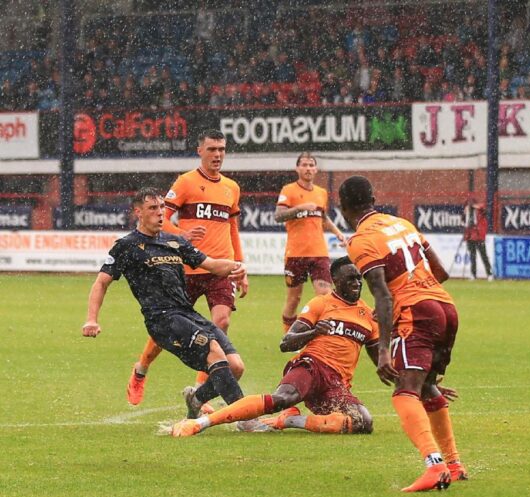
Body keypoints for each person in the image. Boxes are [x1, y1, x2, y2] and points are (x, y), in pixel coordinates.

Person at [339, 175, 467, 493]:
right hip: (445, 308)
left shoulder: (361, 240)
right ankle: (453, 463)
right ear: (372, 198)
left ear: (343, 207)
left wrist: (383, 349)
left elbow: (382, 294)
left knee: (404, 391)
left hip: (417, 312)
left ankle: (434, 465)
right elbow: (441, 273)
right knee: (424, 388)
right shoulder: (402, 223)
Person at [83, 188, 248, 420]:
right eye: (153, 208)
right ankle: (246, 418)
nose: (160, 213)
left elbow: (211, 265)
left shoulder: (175, 241)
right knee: (214, 351)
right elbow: (101, 283)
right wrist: (92, 319)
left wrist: (237, 266)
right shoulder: (127, 246)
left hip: (187, 314)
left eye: (162, 208)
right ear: (138, 212)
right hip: (162, 320)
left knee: (235, 366)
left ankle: (197, 399)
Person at [170, 257, 382, 437]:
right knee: (282, 398)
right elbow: (286, 343)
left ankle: (291, 421)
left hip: (337, 383)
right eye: (350, 278)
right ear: (335, 280)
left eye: (358, 278)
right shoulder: (321, 304)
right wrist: (314, 332)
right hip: (312, 366)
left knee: (363, 422)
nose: (357, 283)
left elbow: (381, 359)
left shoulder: (369, 315)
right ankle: (200, 423)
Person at [125, 129, 248, 409]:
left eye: (221, 149)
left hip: (219, 268)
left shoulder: (232, 187)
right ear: (199, 151)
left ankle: (201, 390)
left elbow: (233, 227)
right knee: (165, 330)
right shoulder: (186, 182)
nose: (217, 155)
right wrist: (181, 235)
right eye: (212, 149)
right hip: (189, 267)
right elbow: (162, 219)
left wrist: (240, 266)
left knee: (221, 323)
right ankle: (141, 368)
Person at [276, 152, 346, 334]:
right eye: (304, 165)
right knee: (293, 300)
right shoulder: (288, 190)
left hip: (319, 253)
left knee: (325, 295)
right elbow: (278, 215)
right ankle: (289, 335)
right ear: (297, 168)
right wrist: (299, 208)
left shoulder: (321, 193)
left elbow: (323, 218)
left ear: (316, 169)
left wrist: (339, 234)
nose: (308, 168)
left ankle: (324, 334)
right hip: (295, 253)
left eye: (311, 165)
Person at [463, 197, 493, 281]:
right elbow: (464, 223)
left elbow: (484, 209)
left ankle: (489, 273)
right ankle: (473, 274)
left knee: (484, 256)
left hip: (479, 237)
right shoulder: (467, 213)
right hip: (470, 237)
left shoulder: (480, 211)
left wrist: (475, 207)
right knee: (472, 257)